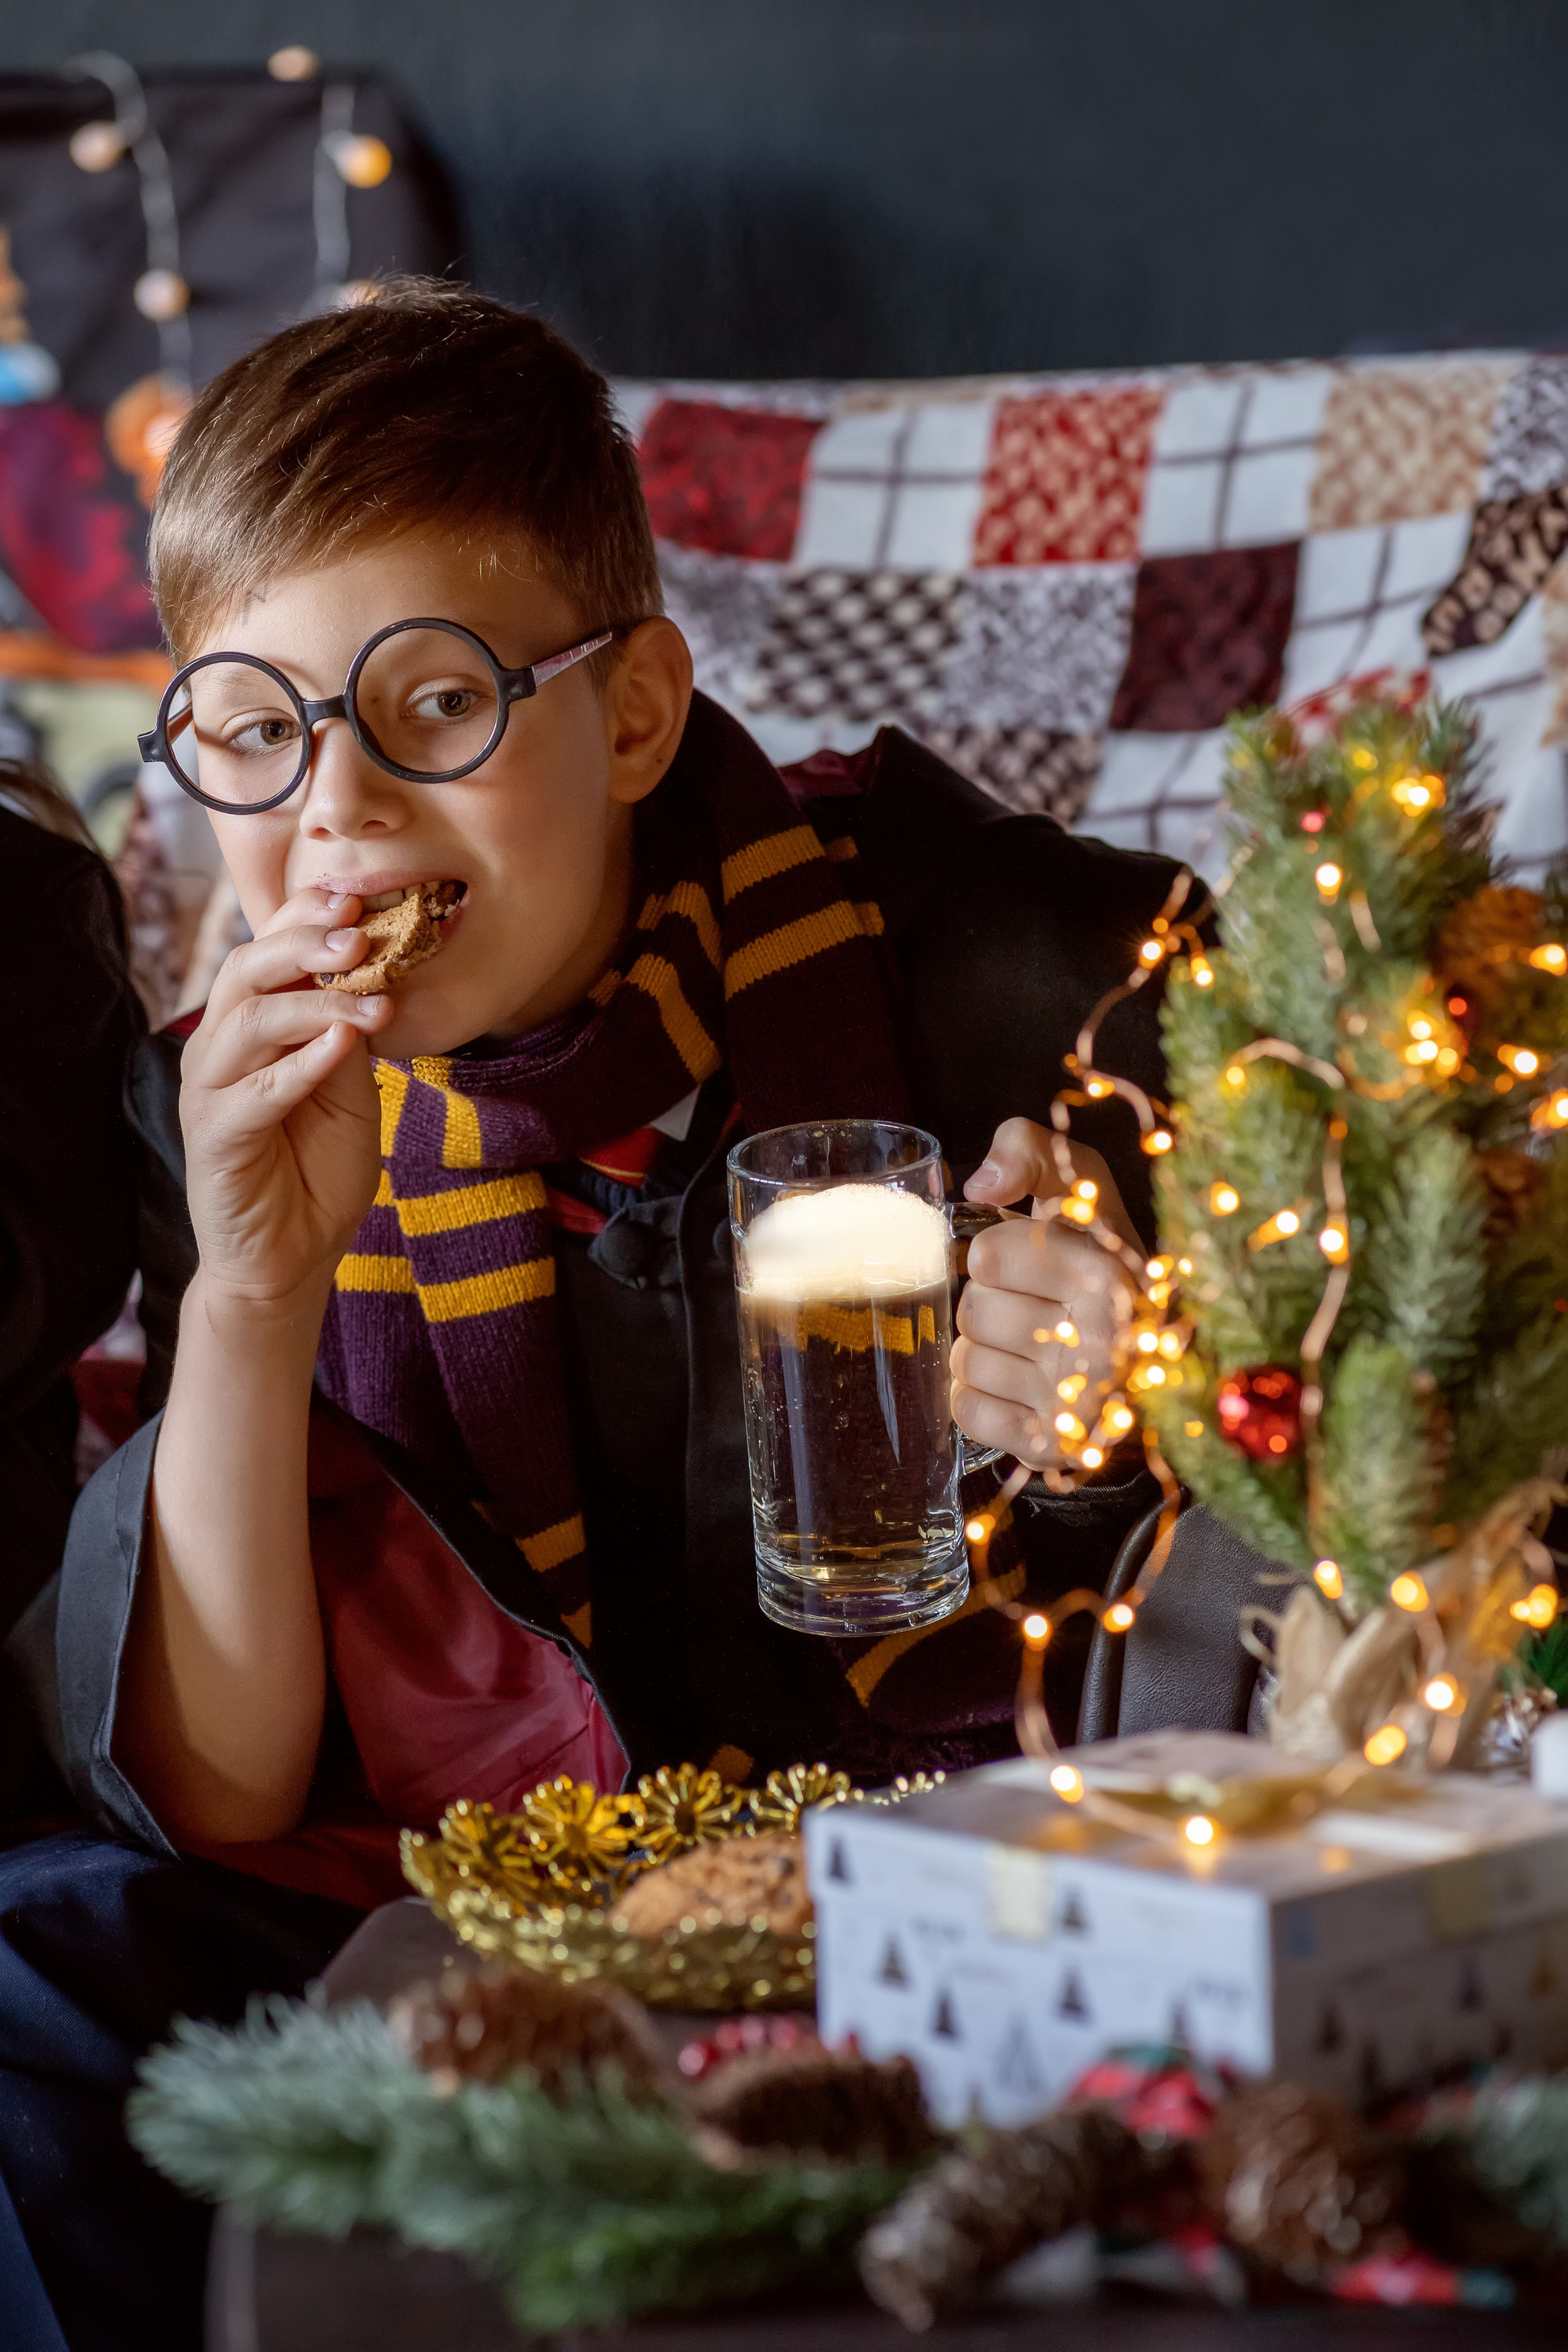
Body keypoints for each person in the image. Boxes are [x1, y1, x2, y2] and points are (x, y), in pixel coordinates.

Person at [0, 282, 1183, 2350]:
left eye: (434, 704)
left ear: (633, 713)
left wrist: (1150, 1355)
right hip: (511, 1869)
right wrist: (261, 1289)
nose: (339, 819)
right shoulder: (212, 1096)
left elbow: (1412, 1366)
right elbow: (224, 1789)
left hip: (957, 1837)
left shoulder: (1010, 969)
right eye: (259, 733)